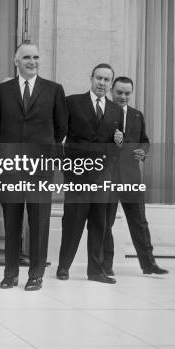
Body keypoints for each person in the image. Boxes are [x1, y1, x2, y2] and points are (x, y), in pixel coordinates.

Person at [0, 43, 68, 290]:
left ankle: (36, 275)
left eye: (36, 57)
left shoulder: (54, 90)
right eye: (26, 57)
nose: (32, 61)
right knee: (12, 221)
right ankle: (10, 274)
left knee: (39, 221)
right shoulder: (2, 91)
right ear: (16, 61)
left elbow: (62, 127)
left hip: (40, 167)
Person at [57, 63, 123, 284]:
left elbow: (117, 144)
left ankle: (95, 271)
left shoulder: (115, 110)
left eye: (106, 80)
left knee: (99, 224)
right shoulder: (73, 102)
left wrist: (118, 144)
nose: (102, 83)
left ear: (110, 84)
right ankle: (63, 267)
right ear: (91, 78)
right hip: (77, 176)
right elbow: (60, 134)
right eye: (99, 78)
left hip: (102, 176)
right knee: (72, 222)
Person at [104, 76, 168, 275]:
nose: (123, 97)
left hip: (131, 177)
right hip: (109, 177)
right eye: (119, 92)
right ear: (111, 91)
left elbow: (144, 141)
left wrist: (143, 151)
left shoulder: (137, 115)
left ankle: (149, 264)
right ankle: (106, 265)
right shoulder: (102, 113)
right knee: (106, 223)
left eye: (127, 93)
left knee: (139, 222)